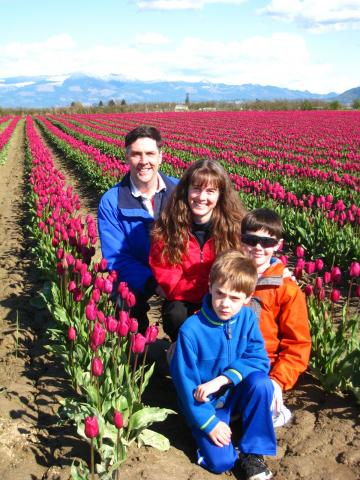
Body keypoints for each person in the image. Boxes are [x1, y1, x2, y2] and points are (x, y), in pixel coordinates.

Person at [170, 250, 276, 480]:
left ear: (248, 298)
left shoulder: (247, 319)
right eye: (220, 294)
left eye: (235, 298)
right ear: (210, 287)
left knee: (261, 384)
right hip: (204, 405)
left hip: (234, 394)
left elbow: (259, 359)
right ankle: (205, 435)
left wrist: (222, 380)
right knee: (221, 463)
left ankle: (254, 452)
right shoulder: (191, 330)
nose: (225, 304)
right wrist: (209, 424)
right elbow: (186, 386)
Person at [149, 159, 246, 341]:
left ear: (220, 195)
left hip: (223, 298)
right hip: (184, 301)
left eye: (210, 191)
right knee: (175, 314)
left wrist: (276, 268)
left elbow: (252, 259)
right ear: (186, 190)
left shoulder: (235, 229)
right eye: (196, 189)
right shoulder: (168, 228)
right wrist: (206, 293)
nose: (202, 197)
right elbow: (170, 282)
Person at [98, 125, 178, 333]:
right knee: (123, 304)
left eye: (150, 153)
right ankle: (136, 352)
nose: (144, 161)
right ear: (126, 158)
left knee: (180, 314)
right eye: (136, 154)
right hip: (134, 272)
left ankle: (179, 354)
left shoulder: (180, 192)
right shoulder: (111, 201)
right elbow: (117, 257)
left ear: (161, 157)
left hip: (174, 271)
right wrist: (153, 283)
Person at [241, 208, 311, 427]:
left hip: (263, 368)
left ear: (278, 245)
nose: (258, 248)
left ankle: (269, 403)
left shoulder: (287, 289)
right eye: (251, 240)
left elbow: (297, 344)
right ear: (240, 239)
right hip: (226, 359)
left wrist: (277, 381)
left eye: (267, 242)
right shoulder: (228, 276)